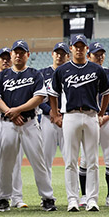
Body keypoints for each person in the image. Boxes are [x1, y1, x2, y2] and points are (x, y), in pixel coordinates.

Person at [48, 34, 109, 212]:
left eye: (82, 46)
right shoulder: (62, 71)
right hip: (70, 115)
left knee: (92, 161)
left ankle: (92, 200)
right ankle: (73, 200)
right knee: (70, 161)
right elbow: (52, 94)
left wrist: (101, 112)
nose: (78, 48)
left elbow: (107, 92)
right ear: (71, 49)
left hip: (91, 115)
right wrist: (56, 114)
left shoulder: (97, 69)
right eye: (76, 46)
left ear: (86, 49)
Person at [0, 40, 56, 212]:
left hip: (29, 123)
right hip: (8, 124)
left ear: (28, 55)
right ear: (12, 54)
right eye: (16, 52)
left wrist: (17, 110)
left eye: (22, 52)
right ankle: (3, 198)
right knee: (5, 162)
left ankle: (47, 197)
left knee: (38, 161)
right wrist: (11, 114)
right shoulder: (2, 76)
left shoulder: (35, 74)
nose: (18, 55)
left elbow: (39, 98)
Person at [79, 41, 109, 208]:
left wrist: (108, 115)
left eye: (101, 54)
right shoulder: (83, 72)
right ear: (89, 55)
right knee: (85, 159)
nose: (99, 56)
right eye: (96, 54)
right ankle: (84, 195)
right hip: (88, 119)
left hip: (106, 121)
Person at [0, 47, 24, 210]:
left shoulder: (17, 76)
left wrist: (13, 115)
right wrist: (7, 114)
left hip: (16, 123)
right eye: (2, 58)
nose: (5, 60)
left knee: (15, 161)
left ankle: (17, 197)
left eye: (7, 57)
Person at [39, 43, 69, 191]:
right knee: (45, 159)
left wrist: (61, 113)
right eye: (57, 53)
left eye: (63, 53)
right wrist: (51, 111)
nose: (59, 56)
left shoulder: (72, 72)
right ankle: (47, 195)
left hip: (68, 118)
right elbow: (37, 97)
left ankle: (73, 193)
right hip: (47, 119)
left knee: (71, 158)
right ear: (52, 54)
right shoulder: (42, 73)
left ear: (68, 56)